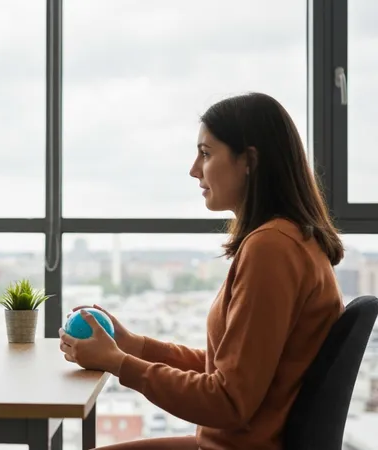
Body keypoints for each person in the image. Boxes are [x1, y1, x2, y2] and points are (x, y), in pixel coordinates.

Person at [59, 92, 345, 450]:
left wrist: (120, 364)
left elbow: (227, 401)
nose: (194, 169)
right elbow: (226, 371)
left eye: (206, 154)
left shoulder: (271, 249)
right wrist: (134, 346)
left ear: (249, 161)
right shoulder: (290, 241)